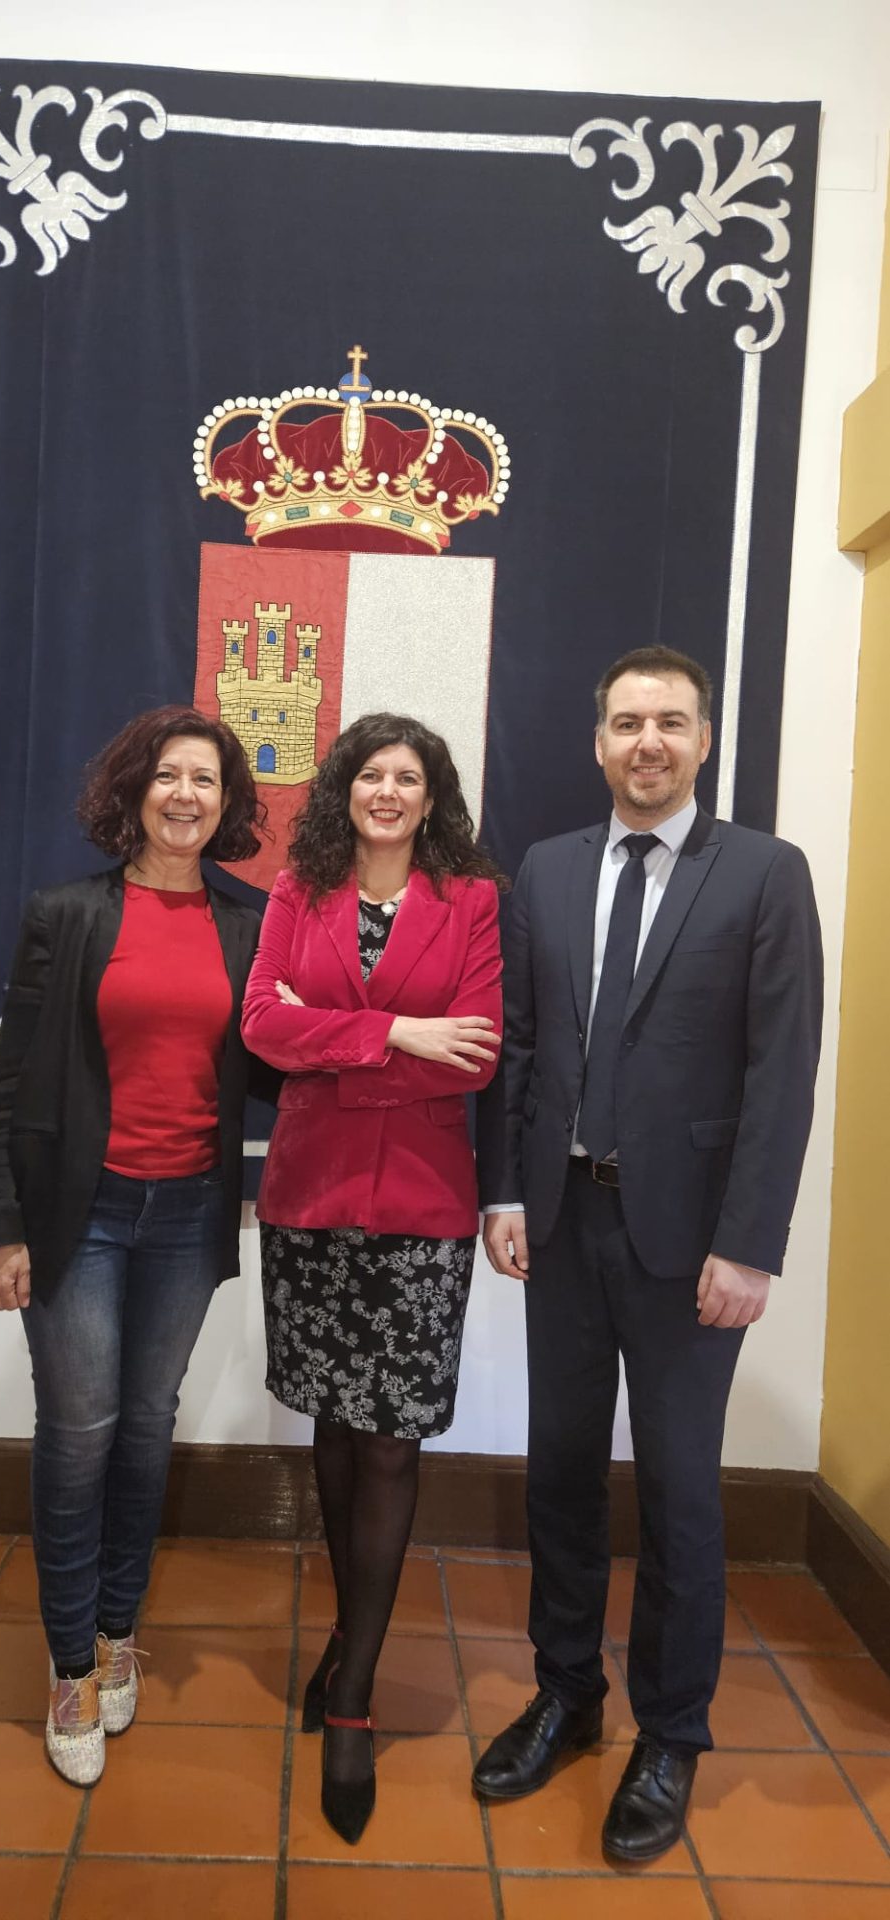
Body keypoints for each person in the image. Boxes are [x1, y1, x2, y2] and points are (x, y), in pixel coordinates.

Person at [475, 646, 822, 1863]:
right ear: (598, 742)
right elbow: (521, 1046)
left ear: (703, 740)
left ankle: (671, 1731)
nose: (647, 743)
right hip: (563, 1222)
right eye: (627, 722)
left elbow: (781, 1073)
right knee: (561, 1475)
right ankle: (566, 1693)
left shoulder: (764, 873)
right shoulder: (547, 868)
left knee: (677, 1492)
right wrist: (506, 1191)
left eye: (670, 721)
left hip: (690, 1246)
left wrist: (750, 1245)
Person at [0, 706, 273, 1786]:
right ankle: (68, 1669)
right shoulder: (66, 914)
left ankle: (114, 1635)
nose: (186, 795)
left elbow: (280, 1062)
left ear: (229, 805)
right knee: (79, 1435)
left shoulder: (251, 925)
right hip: (79, 1214)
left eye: (207, 780)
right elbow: (10, 1082)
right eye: (168, 776)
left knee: (146, 1431)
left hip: (188, 1215)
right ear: (135, 791)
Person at [241, 712, 503, 1843]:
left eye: (407, 777)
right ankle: (350, 1637)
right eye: (369, 775)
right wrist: (398, 1034)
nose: (387, 792)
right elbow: (261, 1026)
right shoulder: (297, 893)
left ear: (431, 798)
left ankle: (351, 1692)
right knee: (335, 1432)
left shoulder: (472, 902)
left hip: (421, 1207)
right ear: (342, 791)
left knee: (390, 1441)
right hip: (308, 1197)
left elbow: (475, 1050)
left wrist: (336, 1037)